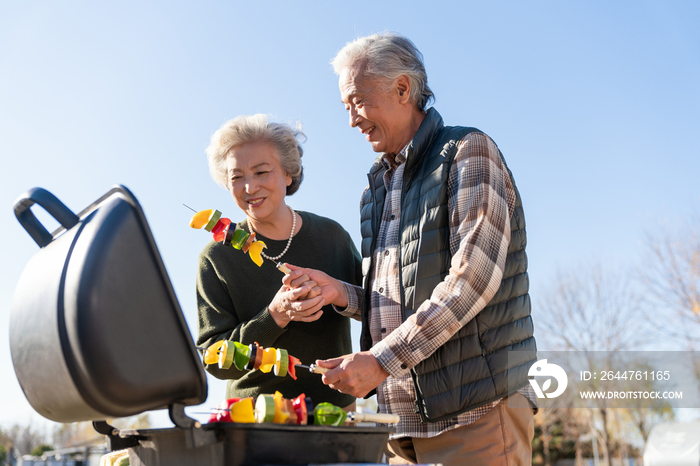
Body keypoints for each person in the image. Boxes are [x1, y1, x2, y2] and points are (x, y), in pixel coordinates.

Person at [285, 33, 538, 465]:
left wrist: (381, 361)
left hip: (474, 418)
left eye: (358, 102)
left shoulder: (467, 153)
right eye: (345, 107)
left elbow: (472, 282)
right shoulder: (375, 193)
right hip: (400, 429)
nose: (352, 120)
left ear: (403, 89)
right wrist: (340, 294)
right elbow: (403, 300)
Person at [196, 114, 359, 410]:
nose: (249, 187)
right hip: (254, 423)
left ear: (288, 173)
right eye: (236, 177)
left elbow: (378, 310)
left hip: (336, 418)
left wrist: (337, 292)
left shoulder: (333, 237)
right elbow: (214, 359)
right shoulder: (216, 258)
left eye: (261, 172)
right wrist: (275, 316)